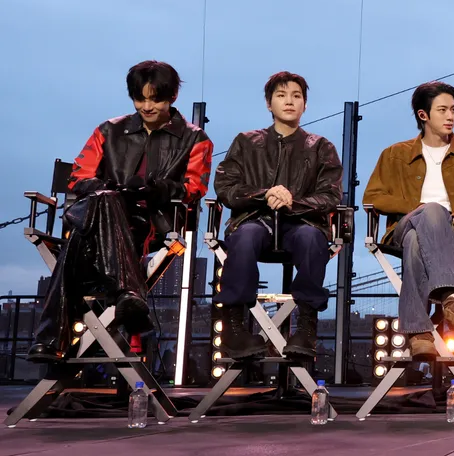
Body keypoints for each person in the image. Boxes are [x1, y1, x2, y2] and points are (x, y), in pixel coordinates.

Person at [28, 61, 213, 363]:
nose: (147, 106)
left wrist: (160, 189)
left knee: (76, 242)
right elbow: (79, 177)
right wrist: (110, 189)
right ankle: (129, 294)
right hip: (99, 214)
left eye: (155, 98)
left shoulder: (195, 139)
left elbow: (194, 188)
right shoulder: (108, 130)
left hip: (148, 222)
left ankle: (49, 339)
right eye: (140, 99)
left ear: (172, 97)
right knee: (105, 200)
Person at [362, 81, 454, 358]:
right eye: (442, 110)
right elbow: (373, 196)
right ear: (423, 115)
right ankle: (452, 299)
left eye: (453, 110)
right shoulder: (394, 154)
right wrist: (419, 208)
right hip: (404, 227)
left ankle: (418, 333)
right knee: (429, 213)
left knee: (417, 240)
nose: (451, 116)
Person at [213, 72, 344, 359]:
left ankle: (307, 328)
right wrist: (265, 195)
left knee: (311, 238)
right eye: (282, 95)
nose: (289, 101)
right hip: (254, 219)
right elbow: (225, 186)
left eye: (296, 96)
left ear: (305, 105)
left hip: (302, 222)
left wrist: (291, 202)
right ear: (268, 104)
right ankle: (234, 329)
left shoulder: (321, 147)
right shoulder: (246, 142)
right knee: (245, 236)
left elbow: (331, 195)